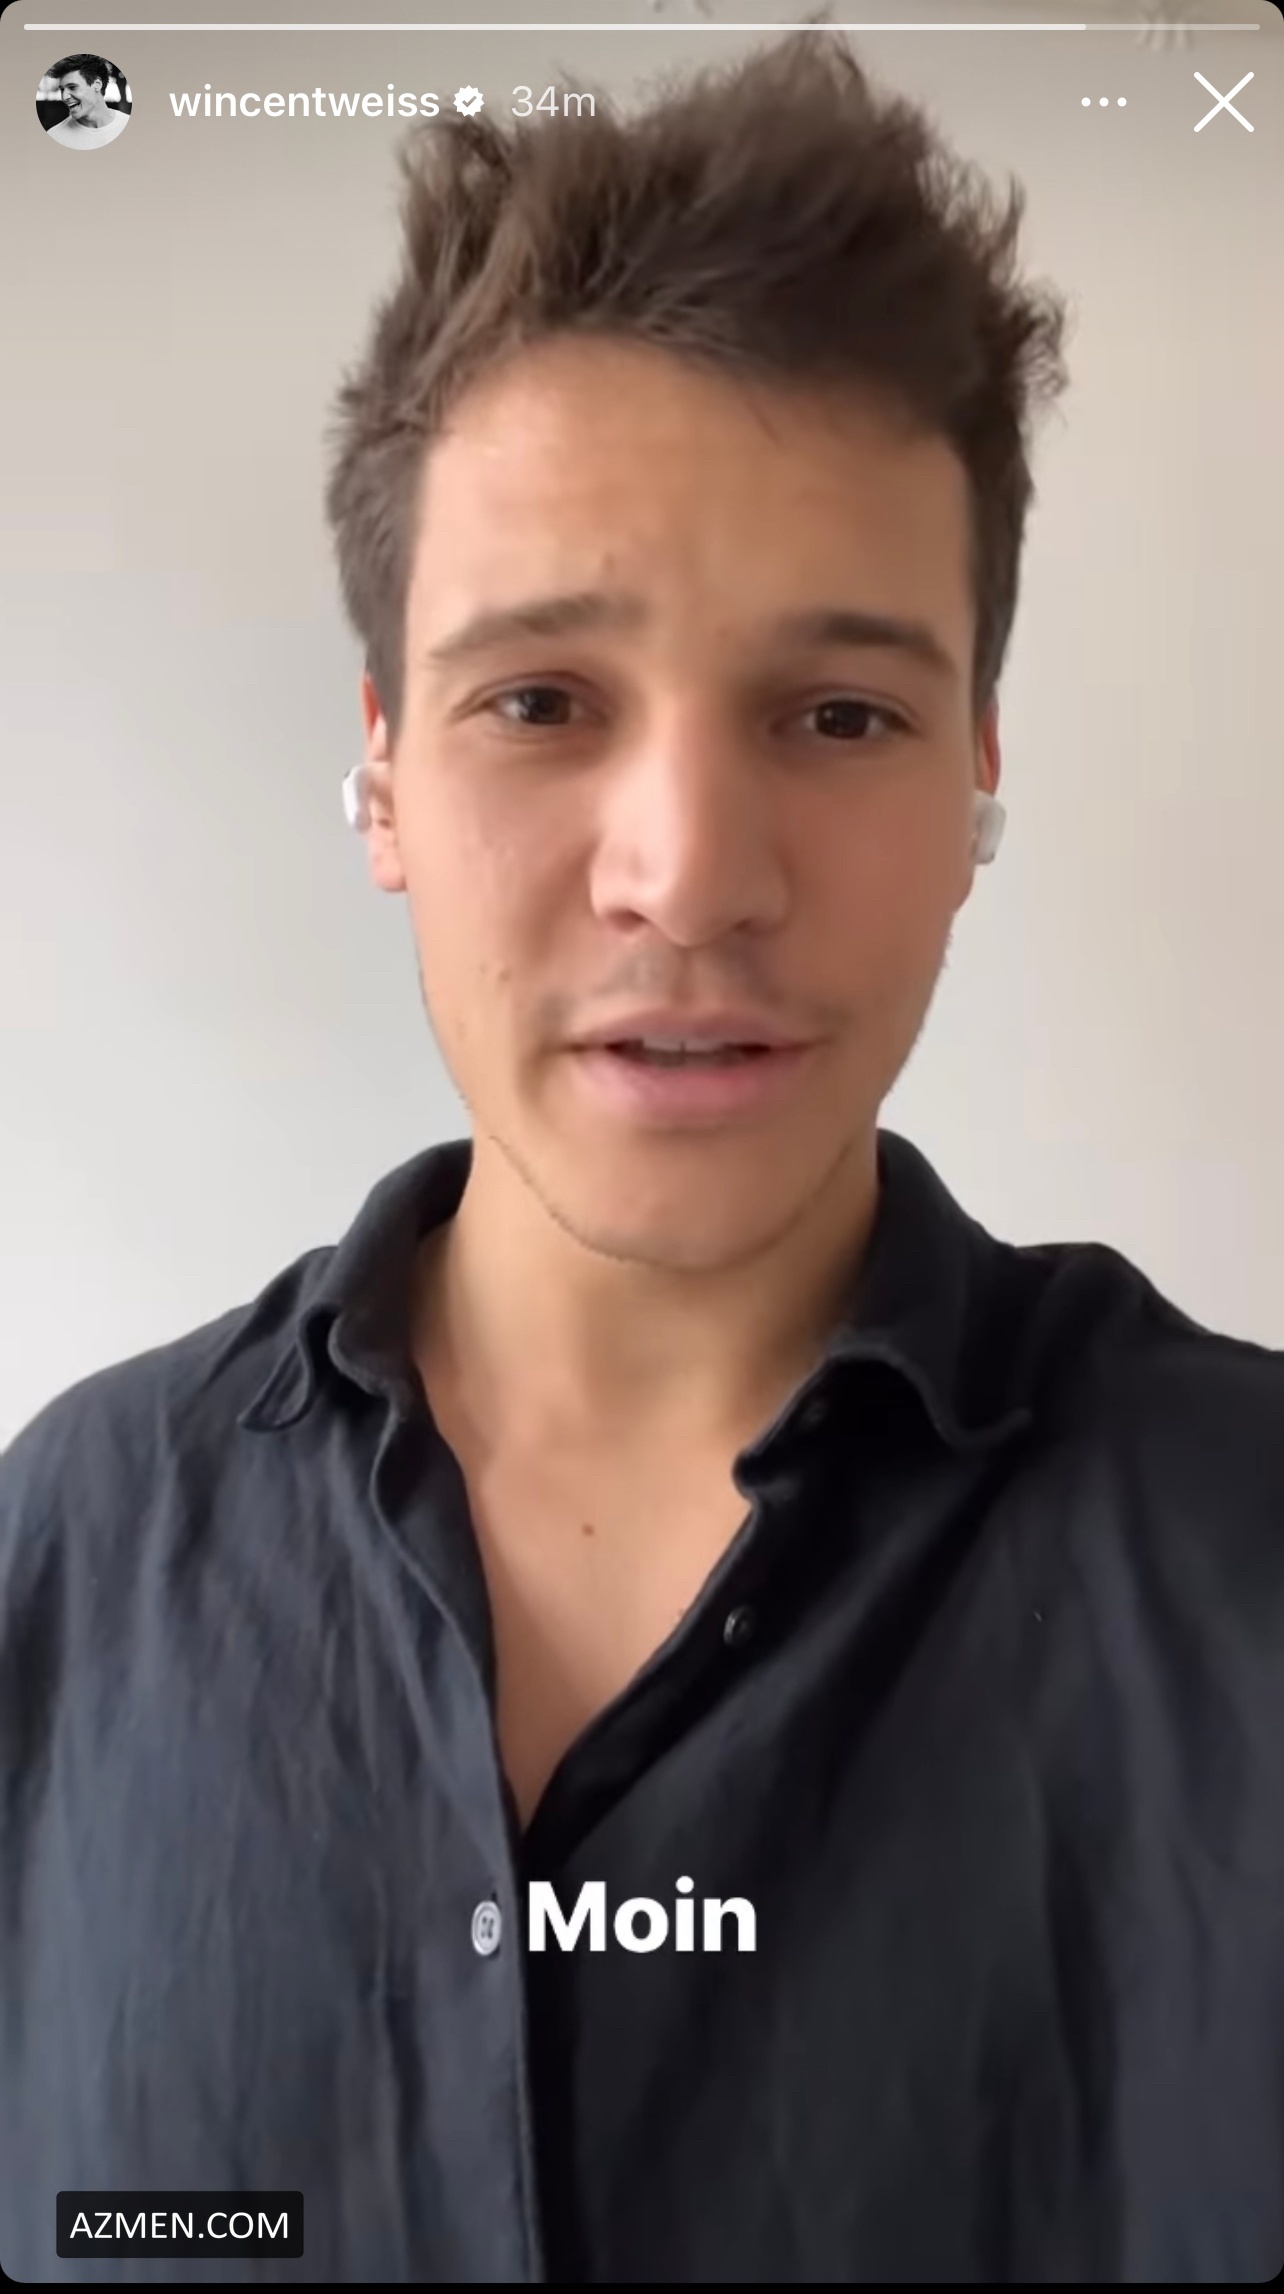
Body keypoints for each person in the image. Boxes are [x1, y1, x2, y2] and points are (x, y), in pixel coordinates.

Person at [2, 33, 1281, 2287]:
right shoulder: (67, 1565)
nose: (687, 876)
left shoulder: (1248, 1558)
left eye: (840, 713)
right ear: (382, 775)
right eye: (540, 701)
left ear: (975, 773)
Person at [43, 54, 131, 150]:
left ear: (97, 84)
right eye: (62, 90)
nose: (64, 97)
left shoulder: (131, 127)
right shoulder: (55, 136)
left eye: (72, 87)